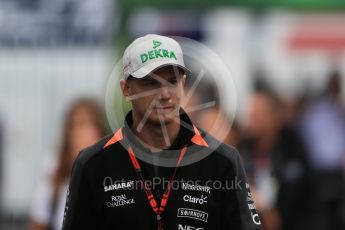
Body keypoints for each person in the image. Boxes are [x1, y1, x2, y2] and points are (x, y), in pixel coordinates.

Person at [62, 34, 262, 230]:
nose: (165, 94)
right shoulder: (92, 163)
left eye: (172, 82)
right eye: (151, 83)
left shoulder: (222, 160)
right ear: (127, 89)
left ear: (183, 84)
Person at [29, 98, 105, 230]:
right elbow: (37, 222)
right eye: (76, 125)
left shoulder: (114, 169)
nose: (82, 133)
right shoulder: (54, 170)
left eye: (88, 124)